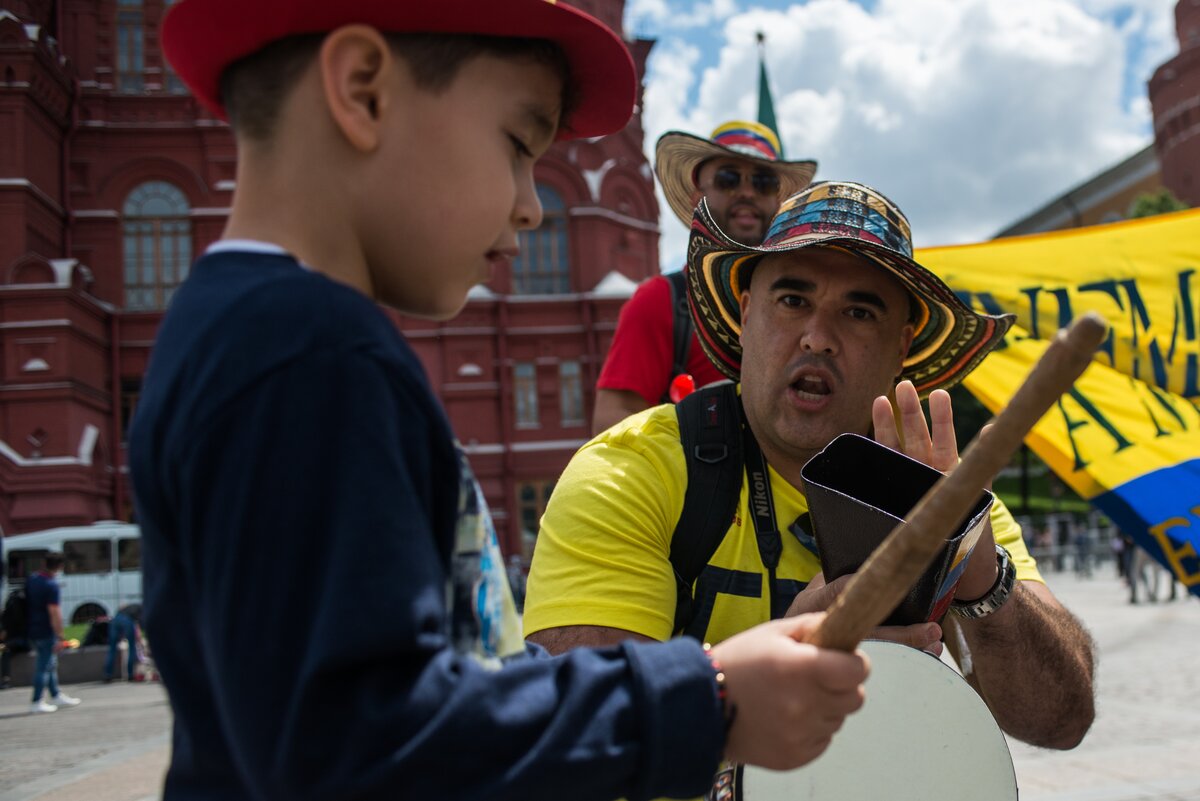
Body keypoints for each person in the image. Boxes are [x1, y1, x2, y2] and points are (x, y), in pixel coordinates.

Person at [128, 3, 872, 798]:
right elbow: (358, 739)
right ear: (364, 90)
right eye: (518, 145)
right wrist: (704, 698)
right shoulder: (308, 354)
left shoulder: (244, 332)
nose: (531, 205)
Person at [526, 181, 1097, 752]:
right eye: (792, 300)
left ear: (902, 348)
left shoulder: (934, 485)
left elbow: (1062, 721)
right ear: (746, 314)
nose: (818, 339)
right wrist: (780, 655)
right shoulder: (630, 474)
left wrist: (978, 576)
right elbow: (581, 741)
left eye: (858, 312)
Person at [592, 121, 817, 433]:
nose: (747, 192)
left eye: (763, 182)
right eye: (728, 179)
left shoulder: (810, 299)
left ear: (778, 201)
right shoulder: (661, 301)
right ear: (697, 196)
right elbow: (613, 429)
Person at [27, 552, 82, 714]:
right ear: (60, 567)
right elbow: (54, 612)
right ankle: (37, 701)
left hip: (31, 628)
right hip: (45, 630)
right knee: (44, 666)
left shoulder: (33, 580)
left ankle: (56, 695)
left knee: (50, 663)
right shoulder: (51, 585)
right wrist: (60, 635)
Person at [103, 603, 143, 683]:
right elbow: (139, 624)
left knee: (112, 649)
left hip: (115, 620)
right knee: (132, 647)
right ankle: (130, 675)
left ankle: (108, 675)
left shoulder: (126, 608)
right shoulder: (141, 608)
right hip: (127, 620)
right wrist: (139, 637)